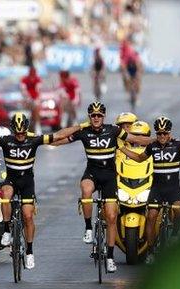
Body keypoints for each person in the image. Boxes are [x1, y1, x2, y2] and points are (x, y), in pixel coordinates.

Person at [52, 102, 153, 273]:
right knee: (85, 189)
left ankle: (111, 257)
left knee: (112, 216)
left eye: (99, 115)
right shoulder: (84, 131)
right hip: (92, 173)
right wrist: (43, 141)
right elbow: (57, 138)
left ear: (104, 117)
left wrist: (159, 140)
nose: (96, 118)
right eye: (93, 116)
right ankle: (88, 228)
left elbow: (135, 139)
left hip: (109, 177)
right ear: (89, 117)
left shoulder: (113, 130)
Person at [0, 113, 82, 269]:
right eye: (17, 133)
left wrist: (80, 126)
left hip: (27, 183)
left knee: (28, 216)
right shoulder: (5, 140)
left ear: (26, 129)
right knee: (5, 195)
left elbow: (57, 136)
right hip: (11, 180)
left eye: (22, 133)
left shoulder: (34, 139)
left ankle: (30, 252)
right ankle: (5, 230)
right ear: (13, 130)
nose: (20, 136)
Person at [119, 116, 180, 258]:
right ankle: (151, 250)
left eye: (165, 133)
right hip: (157, 189)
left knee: (178, 210)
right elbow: (139, 159)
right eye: (159, 133)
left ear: (170, 133)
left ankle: (175, 234)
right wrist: (122, 149)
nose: (162, 136)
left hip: (173, 189)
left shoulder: (179, 145)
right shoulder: (152, 147)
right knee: (151, 216)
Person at [20, 66, 42, 134]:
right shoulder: (24, 79)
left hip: (35, 98)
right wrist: (27, 98)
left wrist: (36, 99)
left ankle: (37, 126)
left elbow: (38, 89)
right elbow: (23, 90)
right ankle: (26, 126)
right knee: (27, 112)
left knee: (36, 108)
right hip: (27, 98)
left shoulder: (38, 79)